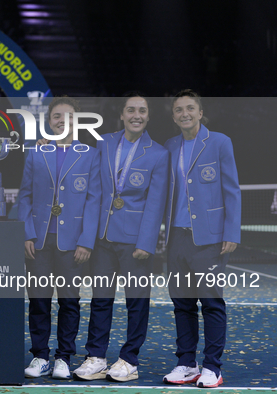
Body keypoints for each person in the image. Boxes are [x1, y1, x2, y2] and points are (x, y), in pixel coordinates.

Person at [72, 94, 169, 382]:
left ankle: (129, 360)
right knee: (101, 299)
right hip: (103, 237)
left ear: (148, 116)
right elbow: (80, 163)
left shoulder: (158, 153)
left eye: (142, 110)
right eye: (131, 110)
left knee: (136, 301)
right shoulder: (104, 143)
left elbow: (156, 202)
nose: (136, 115)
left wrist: (146, 243)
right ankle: (97, 357)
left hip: (134, 241)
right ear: (122, 114)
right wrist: (45, 146)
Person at [18, 97, 101, 380]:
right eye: (57, 116)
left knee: (69, 302)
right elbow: (25, 196)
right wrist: (27, 232)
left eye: (68, 115)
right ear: (49, 121)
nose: (62, 120)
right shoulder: (36, 152)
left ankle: (63, 357)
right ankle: (40, 356)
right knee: (38, 301)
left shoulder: (90, 154)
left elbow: (94, 201)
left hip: (72, 243)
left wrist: (87, 240)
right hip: (38, 242)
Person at [162, 89, 240, 388]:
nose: (185, 113)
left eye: (190, 108)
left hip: (209, 240)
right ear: (173, 116)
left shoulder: (219, 142)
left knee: (211, 302)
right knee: (182, 304)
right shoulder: (169, 146)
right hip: (176, 239)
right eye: (179, 109)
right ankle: (186, 363)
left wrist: (231, 231)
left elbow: (232, 189)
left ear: (200, 112)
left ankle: (212, 367)